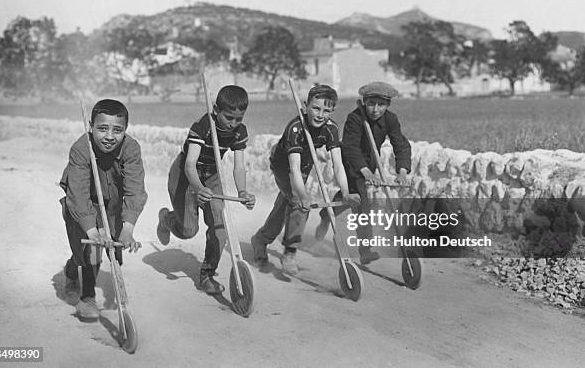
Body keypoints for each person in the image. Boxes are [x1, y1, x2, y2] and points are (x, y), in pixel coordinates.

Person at [251, 84, 360, 275]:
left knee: (286, 205)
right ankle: (290, 251)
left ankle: (261, 239)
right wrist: (302, 196)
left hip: (304, 163)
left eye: (326, 111)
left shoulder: (331, 129)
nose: (320, 115)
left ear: (332, 111)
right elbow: (293, 169)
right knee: (298, 203)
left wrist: (346, 192)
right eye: (316, 108)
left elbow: (338, 164)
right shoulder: (295, 128)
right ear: (305, 106)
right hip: (284, 166)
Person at [157, 85, 256, 295]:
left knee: (219, 229)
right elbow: (189, 164)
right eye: (228, 117)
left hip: (212, 175)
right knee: (188, 231)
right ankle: (166, 219)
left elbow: (239, 166)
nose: (233, 123)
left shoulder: (239, 131)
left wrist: (243, 192)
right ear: (215, 109)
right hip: (185, 176)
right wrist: (198, 188)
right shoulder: (202, 127)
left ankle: (207, 275)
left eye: (239, 119)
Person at [60, 99, 147, 320]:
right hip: (82, 203)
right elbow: (77, 195)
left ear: (125, 130)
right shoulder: (80, 148)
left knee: (114, 245)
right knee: (92, 248)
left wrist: (127, 229)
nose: (109, 136)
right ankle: (87, 296)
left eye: (117, 130)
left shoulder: (131, 148)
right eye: (102, 128)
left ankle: (75, 266)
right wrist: (92, 231)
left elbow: (135, 189)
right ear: (91, 126)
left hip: (113, 203)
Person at [314, 81, 411, 264]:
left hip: (370, 164)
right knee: (362, 204)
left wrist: (403, 171)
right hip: (351, 163)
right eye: (371, 103)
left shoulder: (391, 119)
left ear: (387, 105)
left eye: (381, 105)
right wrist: (365, 171)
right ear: (364, 102)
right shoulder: (355, 118)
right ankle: (365, 250)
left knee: (349, 197)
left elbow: (401, 144)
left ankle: (326, 215)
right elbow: (350, 147)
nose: (375, 109)